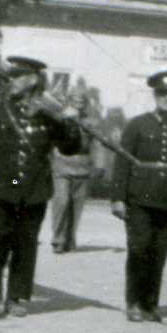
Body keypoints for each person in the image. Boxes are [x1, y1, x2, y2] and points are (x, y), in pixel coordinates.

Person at [0, 56, 84, 318]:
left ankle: (16, 296)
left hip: (32, 190)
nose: (12, 81)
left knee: (25, 244)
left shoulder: (48, 115)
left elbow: (71, 147)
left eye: (18, 76)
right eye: (12, 76)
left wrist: (69, 121)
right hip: (0, 189)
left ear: (32, 80)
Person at [111, 69, 167, 322]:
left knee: (159, 253)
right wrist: (118, 197)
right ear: (155, 95)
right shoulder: (137, 125)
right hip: (138, 197)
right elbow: (122, 163)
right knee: (139, 249)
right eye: (163, 93)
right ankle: (134, 303)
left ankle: (150, 304)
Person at [48, 92, 102, 254]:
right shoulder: (59, 118)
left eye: (81, 101)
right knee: (62, 201)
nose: (79, 103)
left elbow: (98, 144)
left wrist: (100, 165)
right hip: (62, 166)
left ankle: (70, 240)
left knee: (77, 207)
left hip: (83, 168)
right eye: (75, 100)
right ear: (69, 100)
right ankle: (58, 239)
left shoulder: (91, 122)